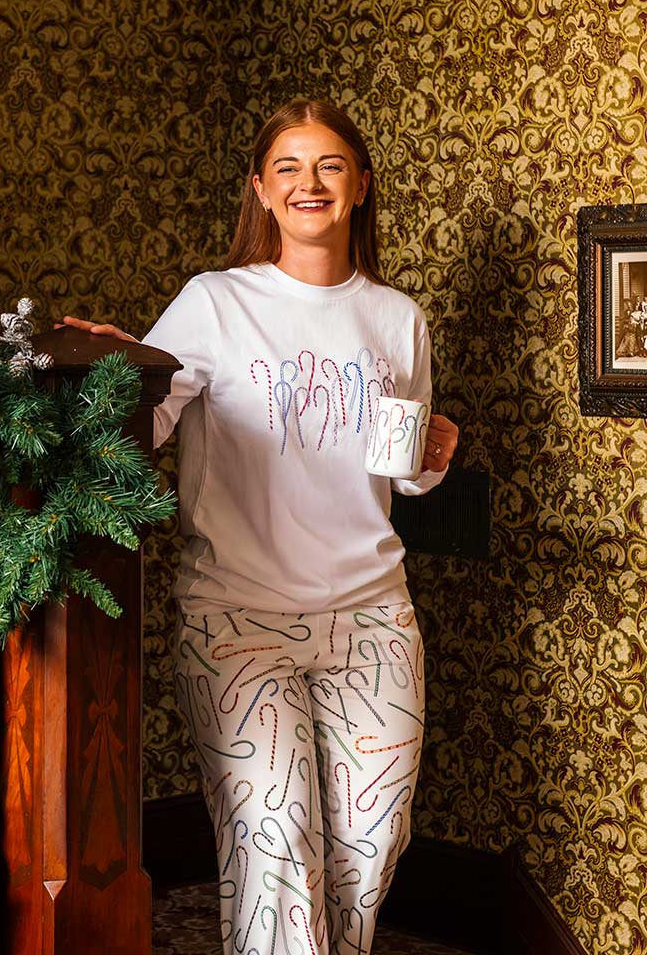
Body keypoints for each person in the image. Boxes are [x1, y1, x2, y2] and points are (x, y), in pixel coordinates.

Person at [62, 99, 459, 955]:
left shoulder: (399, 318)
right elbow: (143, 423)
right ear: (261, 191)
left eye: (327, 166)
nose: (308, 183)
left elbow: (400, 472)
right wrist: (113, 367)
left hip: (373, 620)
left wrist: (433, 456)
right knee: (275, 838)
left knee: (369, 846)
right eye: (288, 168)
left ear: (359, 186)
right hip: (236, 618)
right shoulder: (215, 302)